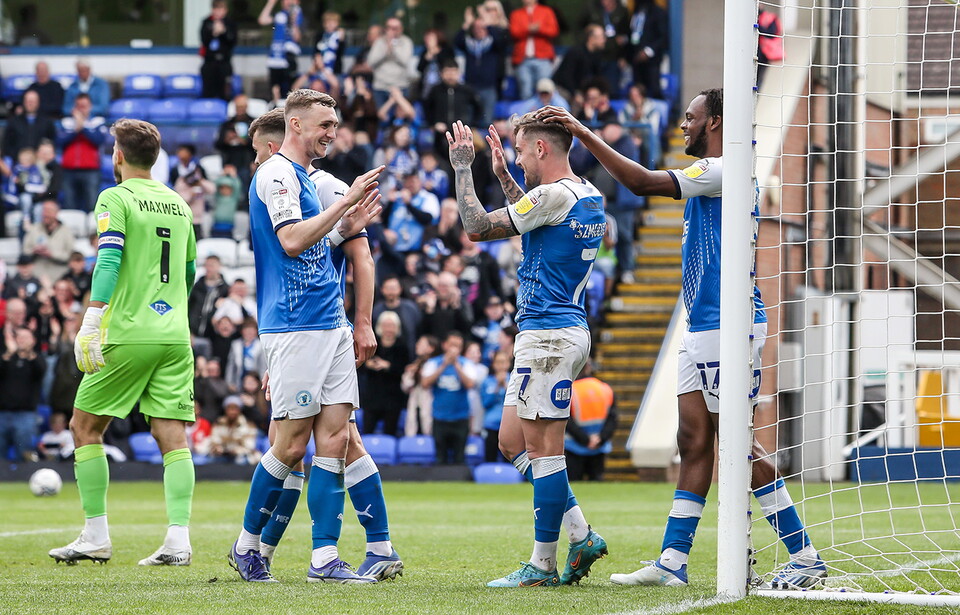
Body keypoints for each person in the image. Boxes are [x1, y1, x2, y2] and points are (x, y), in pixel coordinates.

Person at [538, 91, 826, 589]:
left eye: (690, 118)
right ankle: (673, 561)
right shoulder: (715, 173)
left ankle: (804, 556)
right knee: (692, 442)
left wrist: (583, 133)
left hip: (728, 327)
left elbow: (640, 182)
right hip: (702, 328)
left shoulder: (723, 167)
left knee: (737, 445)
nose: (683, 126)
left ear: (715, 122)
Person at [227, 89, 385, 584]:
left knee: (335, 440)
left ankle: (324, 558)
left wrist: (344, 226)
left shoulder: (307, 179)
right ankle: (246, 545)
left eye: (334, 124)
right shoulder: (275, 173)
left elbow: (314, 248)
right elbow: (292, 241)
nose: (332, 133)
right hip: (295, 324)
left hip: (330, 323)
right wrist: (347, 203)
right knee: (292, 445)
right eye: (324, 124)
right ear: (294, 125)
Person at [446, 114, 608, 587]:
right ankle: (580, 533)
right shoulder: (585, 194)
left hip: (549, 337)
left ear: (541, 148)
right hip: (553, 331)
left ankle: (542, 565)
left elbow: (477, 227)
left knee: (544, 451)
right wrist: (502, 177)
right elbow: (539, 220)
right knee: (512, 442)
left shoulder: (552, 194)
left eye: (519, 151)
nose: (516, 159)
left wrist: (463, 167)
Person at [48, 118, 198, 567]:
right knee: (172, 436)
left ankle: (95, 536)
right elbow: (188, 272)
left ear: (117, 155)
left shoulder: (115, 197)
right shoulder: (179, 203)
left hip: (130, 332)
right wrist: (168, 309)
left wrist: (92, 318)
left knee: (84, 426)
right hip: (175, 335)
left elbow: (109, 260)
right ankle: (178, 540)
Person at [420, 331, 477, 464]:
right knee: (440, 458)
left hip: (461, 417)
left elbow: (470, 384)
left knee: (460, 458)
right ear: (444, 345)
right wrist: (444, 365)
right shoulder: (433, 363)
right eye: (452, 345)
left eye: (458, 346)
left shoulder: (466, 363)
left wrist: (456, 365)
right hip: (439, 417)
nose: (454, 349)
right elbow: (425, 383)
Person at [359, 310, 410, 436]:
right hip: (372, 396)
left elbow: (405, 370)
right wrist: (368, 364)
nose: (388, 329)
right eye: (386, 325)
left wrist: (388, 366)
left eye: (392, 326)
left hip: (393, 397)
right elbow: (359, 366)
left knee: (390, 431)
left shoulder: (402, 346)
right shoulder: (372, 344)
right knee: (367, 431)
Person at [454, 9, 508, 126]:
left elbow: (501, 41)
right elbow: (457, 41)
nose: (479, 30)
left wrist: (488, 25)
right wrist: (466, 24)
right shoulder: (469, 43)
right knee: (467, 121)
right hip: (470, 87)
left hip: (488, 87)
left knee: (487, 121)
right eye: (476, 27)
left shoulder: (492, 44)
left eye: (482, 27)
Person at [56, 94, 109, 212]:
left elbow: (98, 140)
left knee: (92, 205)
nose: (81, 109)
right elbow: (59, 141)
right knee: (69, 206)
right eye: (78, 106)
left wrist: (82, 126)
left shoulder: (97, 122)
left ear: (90, 107)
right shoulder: (66, 122)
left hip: (91, 170)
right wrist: (76, 130)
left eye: (84, 106)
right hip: (69, 170)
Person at [564, 363, 616, 481]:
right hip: (599, 446)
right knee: (597, 484)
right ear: (588, 368)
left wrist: (586, 440)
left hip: (574, 446)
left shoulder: (569, 390)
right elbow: (612, 419)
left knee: (574, 485)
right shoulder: (605, 388)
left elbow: (566, 420)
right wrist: (601, 439)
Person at [0, 327, 46, 461]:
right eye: (19, 337)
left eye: (25, 337)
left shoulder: (37, 359)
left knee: (25, 454)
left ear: (33, 340)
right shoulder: (7, 358)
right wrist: (9, 353)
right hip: (2, 413)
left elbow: (40, 371)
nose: (21, 340)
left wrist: (29, 354)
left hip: (26, 415)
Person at [424, 59, 482, 156]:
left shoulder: (466, 90)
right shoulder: (435, 90)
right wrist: (433, 124)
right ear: (441, 73)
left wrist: (472, 125)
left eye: (453, 72)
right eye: (447, 72)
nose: (450, 76)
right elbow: (427, 108)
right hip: (441, 133)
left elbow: (479, 107)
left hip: (461, 133)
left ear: (458, 73)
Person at [509, 0, 560, 101]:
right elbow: (513, 32)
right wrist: (528, 29)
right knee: (525, 90)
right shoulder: (516, 14)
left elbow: (554, 30)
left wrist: (539, 29)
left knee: (544, 89)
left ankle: (544, 111)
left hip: (543, 57)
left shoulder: (546, 11)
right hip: (523, 59)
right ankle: (527, 111)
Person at [23, 199, 76, 283]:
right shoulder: (34, 229)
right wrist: (34, 251)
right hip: (36, 277)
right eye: (43, 211)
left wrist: (52, 254)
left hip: (60, 277)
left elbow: (71, 255)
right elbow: (25, 252)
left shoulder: (66, 231)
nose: (45, 214)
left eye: (48, 211)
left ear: (56, 213)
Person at [367, 17, 416, 108]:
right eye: (389, 27)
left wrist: (393, 49)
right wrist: (385, 51)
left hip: (400, 87)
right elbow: (371, 62)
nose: (392, 31)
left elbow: (405, 61)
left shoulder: (407, 42)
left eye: (395, 28)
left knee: (400, 116)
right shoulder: (379, 42)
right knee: (382, 116)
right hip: (380, 87)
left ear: (401, 29)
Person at [259, 0, 303, 99]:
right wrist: (271, 3)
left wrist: (293, 21)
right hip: (275, 58)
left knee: (289, 92)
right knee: (274, 91)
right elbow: (262, 20)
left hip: (288, 59)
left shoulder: (298, 15)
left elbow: (297, 37)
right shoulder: (279, 15)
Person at [626, 0, 669, 99]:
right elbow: (633, 33)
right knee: (638, 90)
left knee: (654, 89)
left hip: (652, 60)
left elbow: (663, 37)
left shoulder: (658, 12)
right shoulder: (636, 11)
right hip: (636, 59)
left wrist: (647, 51)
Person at [552, 25, 607, 103]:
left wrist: (603, 93)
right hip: (562, 88)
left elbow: (597, 78)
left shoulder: (596, 55)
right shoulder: (576, 52)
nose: (604, 40)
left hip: (578, 90)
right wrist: (575, 94)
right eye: (602, 37)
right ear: (591, 38)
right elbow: (566, 76)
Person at [1, 90, 56, 161]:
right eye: (28, 101)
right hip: (17, 161)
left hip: (41, 161)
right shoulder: (13, 122)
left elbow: (50, 142)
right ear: (23, 102)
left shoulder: (47, 122)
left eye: (33, 101)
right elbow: (7, 145)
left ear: (38, 102)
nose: (30, 104)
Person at [201, 0, 239, 100]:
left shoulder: (230, 23)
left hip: (224, 63)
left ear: (225, 10)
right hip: (210, 62)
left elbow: (233, 41)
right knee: (208, 92)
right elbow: (204, 41)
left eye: (221, 9)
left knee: (225, 93)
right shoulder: (206, 22)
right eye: (216, 9)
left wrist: (223, 32)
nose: (218, 12)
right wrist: (213, 33)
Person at [208, 395, 261, 464]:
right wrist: (217, 448)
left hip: (240, 456)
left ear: (239, 410)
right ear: (225, 410)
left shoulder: (248, 425)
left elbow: (250, 446)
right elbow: (214, 440)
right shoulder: (219, 423)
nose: (232, 412)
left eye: (235, 408)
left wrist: (237, 450)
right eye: (230, 408)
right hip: (222, 456)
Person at [480, 349, 511, 462]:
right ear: (493, 364)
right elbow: (485, 403)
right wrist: (497, 386)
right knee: (490, 458)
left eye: (503, 362)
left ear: (508, 363)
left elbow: (518, 401)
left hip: (509, 425)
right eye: (498, 362)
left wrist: (506, 386)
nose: (501, 365)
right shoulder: (487, 381)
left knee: (509, 460)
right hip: (491, 425)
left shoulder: (514, 380)